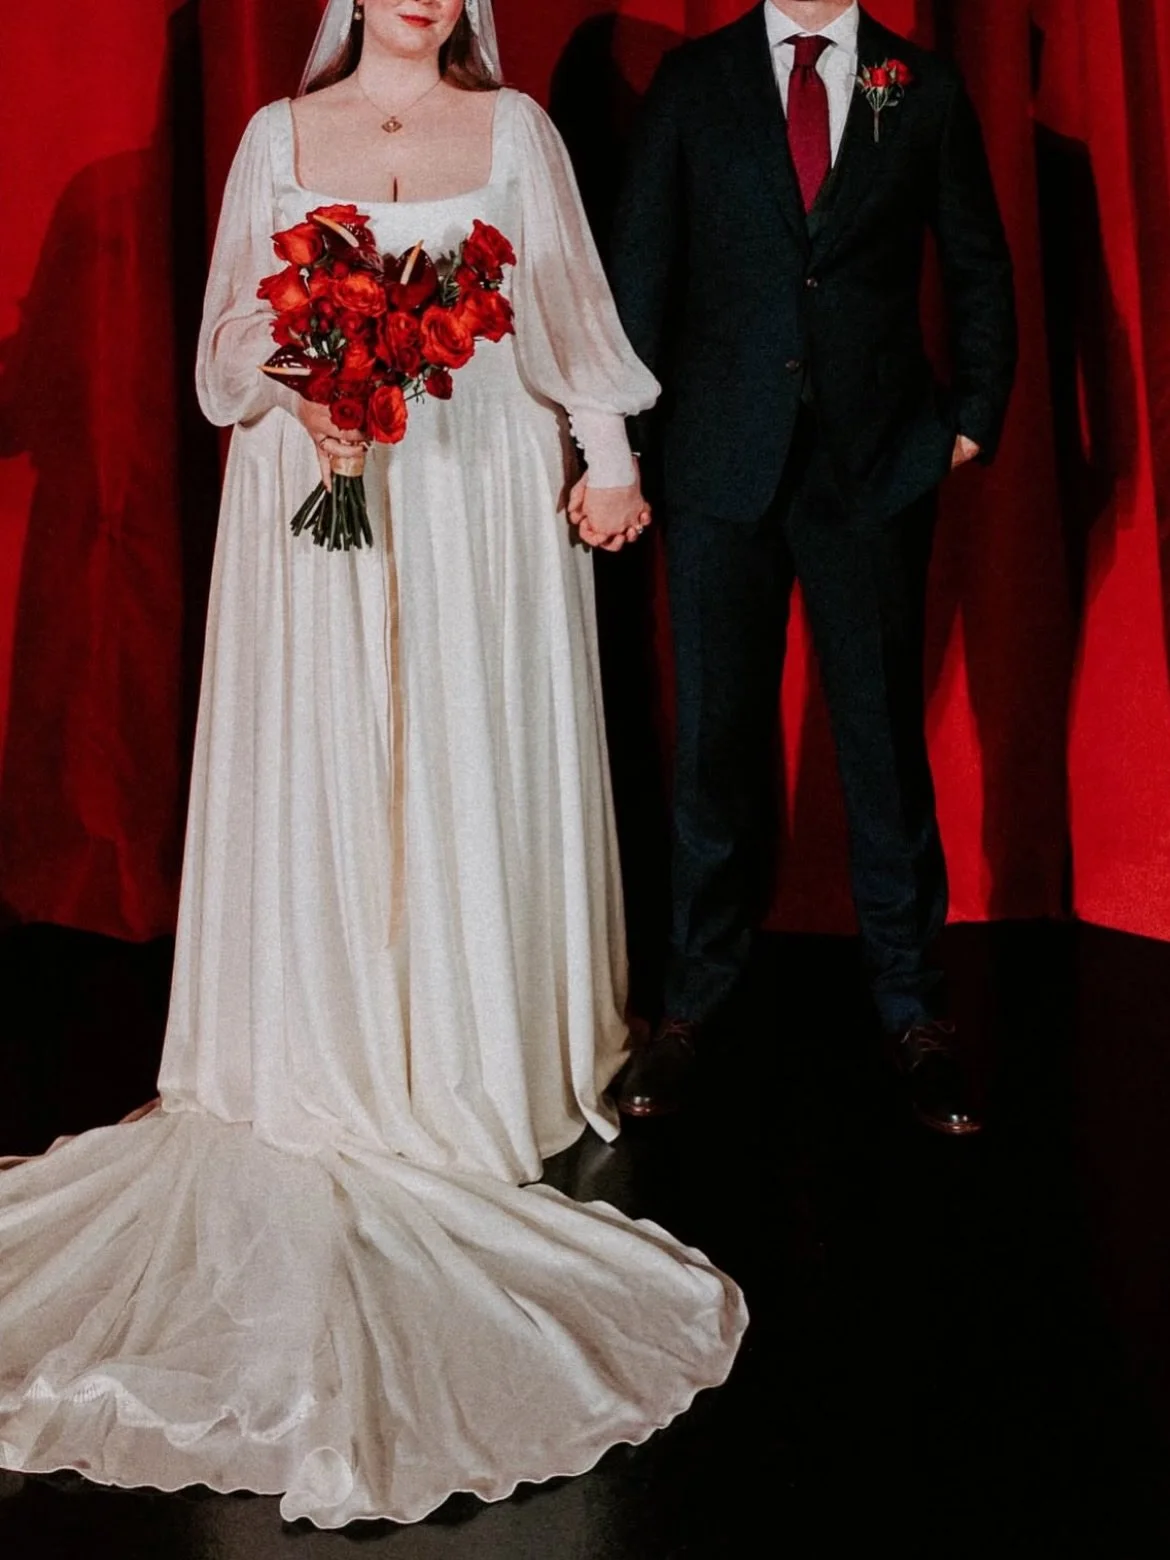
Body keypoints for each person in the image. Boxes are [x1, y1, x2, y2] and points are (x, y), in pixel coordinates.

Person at [0, 0, 745, 1528]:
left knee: (462, 746)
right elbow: (223, 345)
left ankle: (465, 1044)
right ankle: (321, 1033)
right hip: (314, 495)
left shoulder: (518, 130)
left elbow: (563, 313)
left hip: (477, 493)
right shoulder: (276, 139)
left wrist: (608, 465)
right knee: (333, 757)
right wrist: (306, 381)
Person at [608, 1, 1017, 1133]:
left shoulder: (923, 87)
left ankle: (913, 1011)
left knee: (883, 746)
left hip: (874, 469)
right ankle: (692, 1005)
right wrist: (621, 452)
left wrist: (970, 419)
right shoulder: (694, 85)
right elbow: (640, 267)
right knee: (713, 746)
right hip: (716, 468)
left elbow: (977, 261)